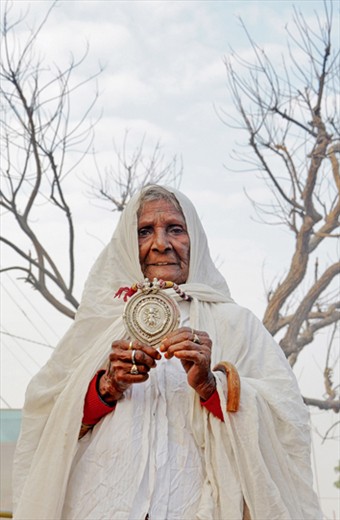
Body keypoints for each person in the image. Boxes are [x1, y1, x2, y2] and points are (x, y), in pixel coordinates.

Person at [13, 185, 322, 520]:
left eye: (175, 229)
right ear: (128, 246)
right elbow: (45, 422)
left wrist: (210, 386)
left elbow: (286, 420)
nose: (160, 244)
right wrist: (105, 388)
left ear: (196, 241)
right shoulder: (100, 322)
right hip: (99, 506)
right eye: (145, 231)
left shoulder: (236, 324)